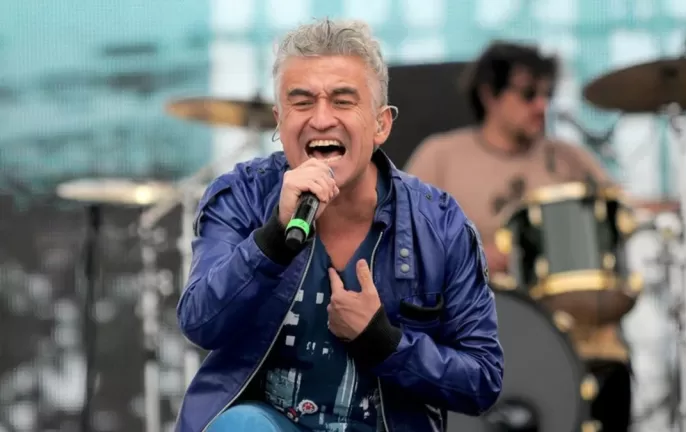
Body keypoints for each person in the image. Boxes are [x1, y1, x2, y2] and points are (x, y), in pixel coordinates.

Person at [174, 18, 503, 432]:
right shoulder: (241, 196)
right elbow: (199, 322)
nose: (321, 118)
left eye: (343, 101)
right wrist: (272, 240)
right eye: (302, 102)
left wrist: (384, 342)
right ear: (279, 120)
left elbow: (482, 380)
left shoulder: (440, 225)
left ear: (381, 124)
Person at [405, 41, 632, 431]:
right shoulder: (441, 155)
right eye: (528, 94)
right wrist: (472, 254)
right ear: (489, 95)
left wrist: (681, 203)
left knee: (611, 362)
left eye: (547, 94)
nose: (541, 106)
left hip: (568, 326)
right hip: (473, 324)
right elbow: (399, 233)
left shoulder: (567, 157)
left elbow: (621, 207)